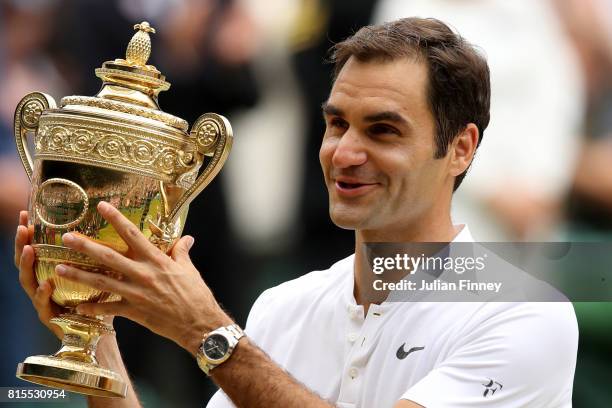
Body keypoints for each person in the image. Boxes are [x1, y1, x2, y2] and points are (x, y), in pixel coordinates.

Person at [15, 18, 578, 407]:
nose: (344, 153)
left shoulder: (525, 314)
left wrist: (207, 332)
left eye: (383, 130)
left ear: (461, 148)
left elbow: (217, 341)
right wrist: (97, 338)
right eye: (337, 124)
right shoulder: (284, 308)